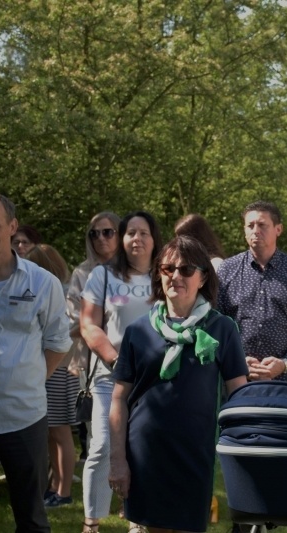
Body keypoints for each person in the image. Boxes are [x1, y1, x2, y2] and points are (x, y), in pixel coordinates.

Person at [109, 236, 248, 533]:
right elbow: (119, 398)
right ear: (158, 274)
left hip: (194, 454)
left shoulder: (222, 328)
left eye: (186, 269)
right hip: (145, 453)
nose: (176, 276)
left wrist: (241, 451)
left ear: (203, 277)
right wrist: (117, 460)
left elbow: (239, 394)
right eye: (168, 268)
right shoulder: (138, 331)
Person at [0, 190, 72, 533]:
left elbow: (59, 342)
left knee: (31, 520)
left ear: (12, 227)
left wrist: (29, 379)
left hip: (24, 417)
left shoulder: (42, 282)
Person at [80, 211, 161, 533]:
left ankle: (138, 521)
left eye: (143, 233)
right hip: (109, 376)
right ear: (122, 239)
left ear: (155, 239)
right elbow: (88, 325)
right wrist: (117, 361)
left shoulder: (165, 275)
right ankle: (92, 522)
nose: (136, 239)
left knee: (146, 448)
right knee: (102, 446)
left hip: (155, 379)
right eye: (130, 233)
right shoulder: (102, 276)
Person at [217, 201, 287, 386]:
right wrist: (236, 361)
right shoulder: (226, 271)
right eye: (250, 225)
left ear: (278, 229)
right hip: (235, 380)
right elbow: (215, 323)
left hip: (286, 380)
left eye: (262, 225)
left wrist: (286, 363)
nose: (255, 230)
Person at [25, 244, 78, 508]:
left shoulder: (64, 292)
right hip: (45, 369)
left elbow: (70, 332)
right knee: (49, 433)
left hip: (60, 370)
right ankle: (54, 486)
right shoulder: (38, 291)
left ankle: (64, 490)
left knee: (60, 432)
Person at [67, 211, 121, 463]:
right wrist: (96, 323)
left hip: (132, 359)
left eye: (107, 232)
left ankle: (127, 501)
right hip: (92, 364)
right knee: (98, 440)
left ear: (120, 234)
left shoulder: (135, 271)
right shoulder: (82, 274)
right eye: (94, 233)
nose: (100, 238)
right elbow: (72, 323)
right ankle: (100, 501)